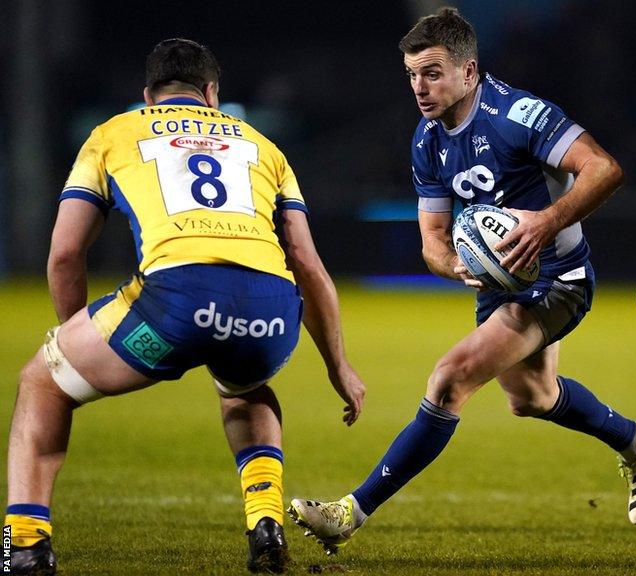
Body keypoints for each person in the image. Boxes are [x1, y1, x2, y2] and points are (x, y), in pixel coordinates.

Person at [288, 7, 636, 554]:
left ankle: (350, 512)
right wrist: (457, 266)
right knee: (533, 398)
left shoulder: (519, 114)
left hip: (558, 279)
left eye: (432, 72)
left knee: (450, 378)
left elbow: (605, 169)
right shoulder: (426, 139)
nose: (419, 87)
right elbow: (433, 240)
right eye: (412, 75)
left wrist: (544, 224)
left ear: (469, 72)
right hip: (500, 287)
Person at [4, 38, 366, 575]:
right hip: (269, 314)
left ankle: (25, 549)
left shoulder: (112, 133)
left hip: (176, 304)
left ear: (148, 97)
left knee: (42, 383)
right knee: (244, 388)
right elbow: (309, 266)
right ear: (212, 94)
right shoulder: (263, 145)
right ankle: (265, 526)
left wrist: (75, 336)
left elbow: (63, 254)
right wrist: (339, 367)